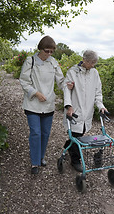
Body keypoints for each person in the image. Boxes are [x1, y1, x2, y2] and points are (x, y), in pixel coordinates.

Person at [19, 35, 73, 175]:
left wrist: (68, 84)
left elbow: (60, 81)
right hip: (32, 104)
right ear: (40, 49)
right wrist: (36, 93)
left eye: (51, 52)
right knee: (36, 133)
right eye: (46, 51)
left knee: (45, 133)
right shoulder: (30, 61)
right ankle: (34, 163)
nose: (49, 54)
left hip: (48, 104)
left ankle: (41, 157)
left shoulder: (53, 62)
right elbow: (24, 81)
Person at [63, 50, 108, 172]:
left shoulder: (94, 73)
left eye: (94, 63)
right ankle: (75, 160)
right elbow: (66, 90)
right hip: (75, 110)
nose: (93, 65)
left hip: (87, 110)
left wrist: (101, 106)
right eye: (91, 62)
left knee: (81, 133)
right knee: (77, 136)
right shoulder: (73, 72)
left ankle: (68, 145)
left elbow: (98, 93)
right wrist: (69, 106)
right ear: (84, 60)